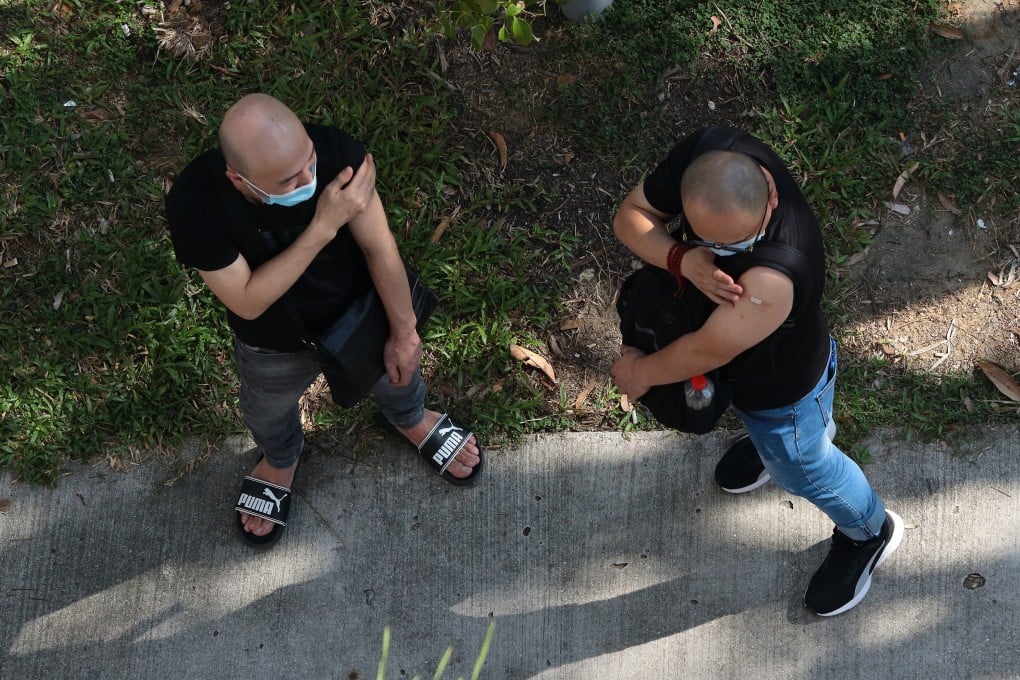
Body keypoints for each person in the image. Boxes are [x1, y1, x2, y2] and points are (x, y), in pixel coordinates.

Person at [165, 93, 483, 548]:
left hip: (359, 310)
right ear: (239, 179)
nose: (309, 180)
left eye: (309, 161)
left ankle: (410, 416)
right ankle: (280, 458)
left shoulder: (338, 155)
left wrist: (404, 330)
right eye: (289, 180)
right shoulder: (196, 205)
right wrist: (323, 226)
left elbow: (379, 247)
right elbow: (248, 301)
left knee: (397, 370)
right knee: (266, 408)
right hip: (272, 337)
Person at [610, 126, 902, 616]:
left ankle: (869, 530)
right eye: (708, 239)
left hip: (784, 391)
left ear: (770, 195)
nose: (722, 255)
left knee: (805, 469)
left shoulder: (776, 275)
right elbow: (630, 217)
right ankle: (774, 449)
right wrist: (683, 258)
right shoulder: (713, 154)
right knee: (770, 437)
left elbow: (705, 351)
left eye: (737, 243)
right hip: (743, 373)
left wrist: (640, 374)